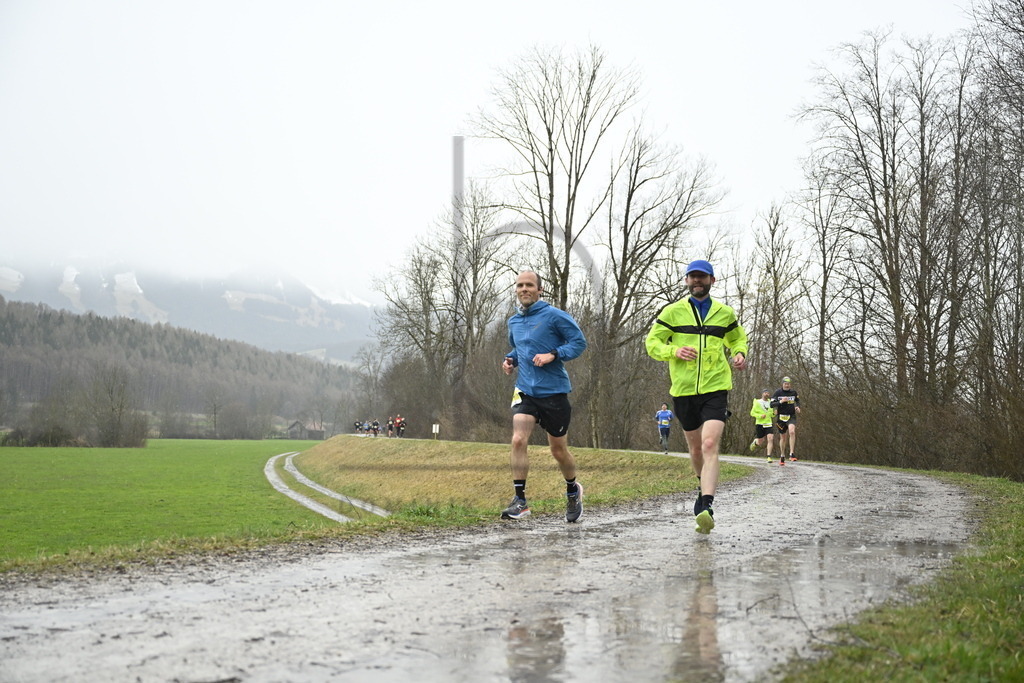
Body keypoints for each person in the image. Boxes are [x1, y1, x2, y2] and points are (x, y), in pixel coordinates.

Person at [645, 259, 748, 534]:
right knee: (695, 448)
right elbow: (652, 343)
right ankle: (701, 487)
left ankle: (706, 503)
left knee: (710, 442)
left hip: (716, 386)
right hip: (684, 390)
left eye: (702, 277)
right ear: (687, 281)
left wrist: (739, 354)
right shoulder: (672, 312)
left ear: (712, 280)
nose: (697, 281)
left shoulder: (725, 313)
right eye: (693, 277)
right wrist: (673, 352)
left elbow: (738, 339)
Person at [501, 270, 588, 523]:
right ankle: (521, 501)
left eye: (529, 285)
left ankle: (573, 490)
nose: (524, 289)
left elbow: (578, 343)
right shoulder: (514, 322)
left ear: (540, 290)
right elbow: (519, 348)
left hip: (554, 393)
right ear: (516, 290)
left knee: (558, 450)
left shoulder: (554, 316)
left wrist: (553, 354)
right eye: (520, 285)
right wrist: (510, 360)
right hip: (526, 391)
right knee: (518, 439)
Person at [771, 376, 800, 461]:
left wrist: (797, 407)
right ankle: (782, 454)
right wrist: (780, 401)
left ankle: (791, 453)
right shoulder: (777, 392)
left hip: (791, 416)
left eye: (788, 384)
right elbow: (771, 404)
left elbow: (797, 401)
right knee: (783, 437)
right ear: (782, 384)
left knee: (792, 431)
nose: (787, 385)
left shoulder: (793, 392)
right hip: (781, 417)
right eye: (785, 384)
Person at [748, 389, 777, 463]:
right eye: (765, 393)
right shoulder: (757, 402)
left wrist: (774, 413)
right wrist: (760, 416)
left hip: (768, 423)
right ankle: (755, 442)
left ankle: (769, 457)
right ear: (762, 394)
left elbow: (771, 414)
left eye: (768, 393)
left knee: (770, 438)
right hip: (760, 424)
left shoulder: (771, 403)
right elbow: (752, 413)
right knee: (760, 441)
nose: (767, 394)